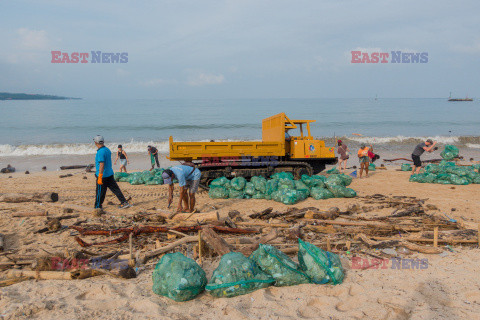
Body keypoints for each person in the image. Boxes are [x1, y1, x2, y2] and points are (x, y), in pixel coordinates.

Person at [93, 135, 131, 209]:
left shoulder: (100, 152)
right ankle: (124, 202)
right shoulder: (107, 149)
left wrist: (100, 176)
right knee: (116, 189)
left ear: (95, 142)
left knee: (100, 192)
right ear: (103, 142)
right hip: (109, 174)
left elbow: (102, 164)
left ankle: (98, 206)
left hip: (103, 176)